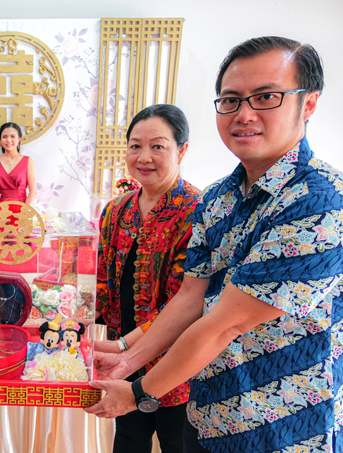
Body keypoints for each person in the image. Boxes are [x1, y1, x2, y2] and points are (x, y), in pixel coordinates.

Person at [85, 37, 338, 453]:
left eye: (266, 97)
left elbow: (228, 322)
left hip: (284, 428)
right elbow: (190, 298)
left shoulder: (320, 202)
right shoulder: (220, 197)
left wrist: (138, 391)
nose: (244, 114)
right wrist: (127, 358)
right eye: (231, 100)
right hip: (209, 416)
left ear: (307, 104)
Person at [96, 104, 200, 453]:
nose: (144, 156)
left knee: (178, 443)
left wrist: (128, 347)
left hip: (178, 363)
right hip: (120, 361)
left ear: (182, 150)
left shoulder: (198, 211)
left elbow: (185, 300)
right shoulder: (116, 209)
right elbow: (102, 283)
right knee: (128, 441)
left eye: (158, 146)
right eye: (135, 145)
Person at [0, 122, 37, 203]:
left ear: (19, 138)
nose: (8, 140)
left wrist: (24, 211)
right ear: (0, 139)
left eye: (13, 136)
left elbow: (33, 192)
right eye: (5, 137)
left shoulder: (28, 161)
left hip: (21, 207)